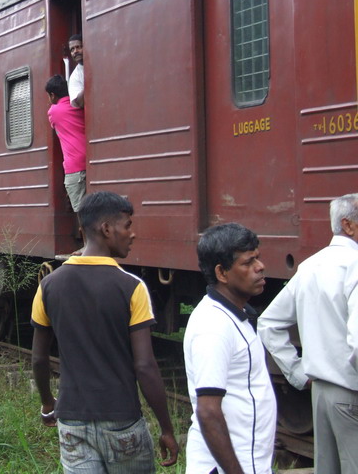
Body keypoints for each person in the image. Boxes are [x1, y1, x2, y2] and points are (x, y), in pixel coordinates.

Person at [31, 191, 178, 472]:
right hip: (121, 419)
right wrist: (166, 428)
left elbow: (39, 359)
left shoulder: (49, 285)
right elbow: (145, 366)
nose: (132, 234)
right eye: (128, 225)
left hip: (72, 420)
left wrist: (48, 403)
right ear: (107, 229)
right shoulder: (131, 287)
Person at [258, 193, 358, 473]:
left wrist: (298, 372)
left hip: (321, 393)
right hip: (351, 392)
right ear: (348, 225)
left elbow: (269, 323)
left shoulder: (311, 266)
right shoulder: (355, 266)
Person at [184, 223, 276, 474]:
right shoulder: (213, 327)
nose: (260, 267)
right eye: (248, 263)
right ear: (222, 273)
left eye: (257, 258)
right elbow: (208, 411)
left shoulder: (236, 315)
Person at [46, 75, 86, 217]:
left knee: (82, 214)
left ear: (52, 95)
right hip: (89, 161)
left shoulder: (54, 111)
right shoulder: (79, 103)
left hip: (74, 168)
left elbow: (54, 126)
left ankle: (86, 240)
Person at [67, 34, 84, 109]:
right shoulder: (75, 76)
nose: (75, 51)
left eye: (78, 47)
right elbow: (78, 103)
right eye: (72, 49)